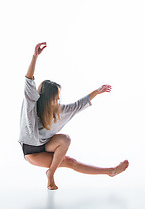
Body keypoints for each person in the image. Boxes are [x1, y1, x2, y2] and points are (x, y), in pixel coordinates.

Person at [18, 42, 129, 190]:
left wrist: (97, 91)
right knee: (70, 162)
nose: (59, 100)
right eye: (56, 97)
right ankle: (51, 175)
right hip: (32, 151)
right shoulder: (32, 105)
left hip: (46, 144)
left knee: (65, 139)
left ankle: (110, 171)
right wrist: (34, 56)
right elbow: (29, 81)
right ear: (47, 98)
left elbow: (79, 104)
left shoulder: (60, 110)